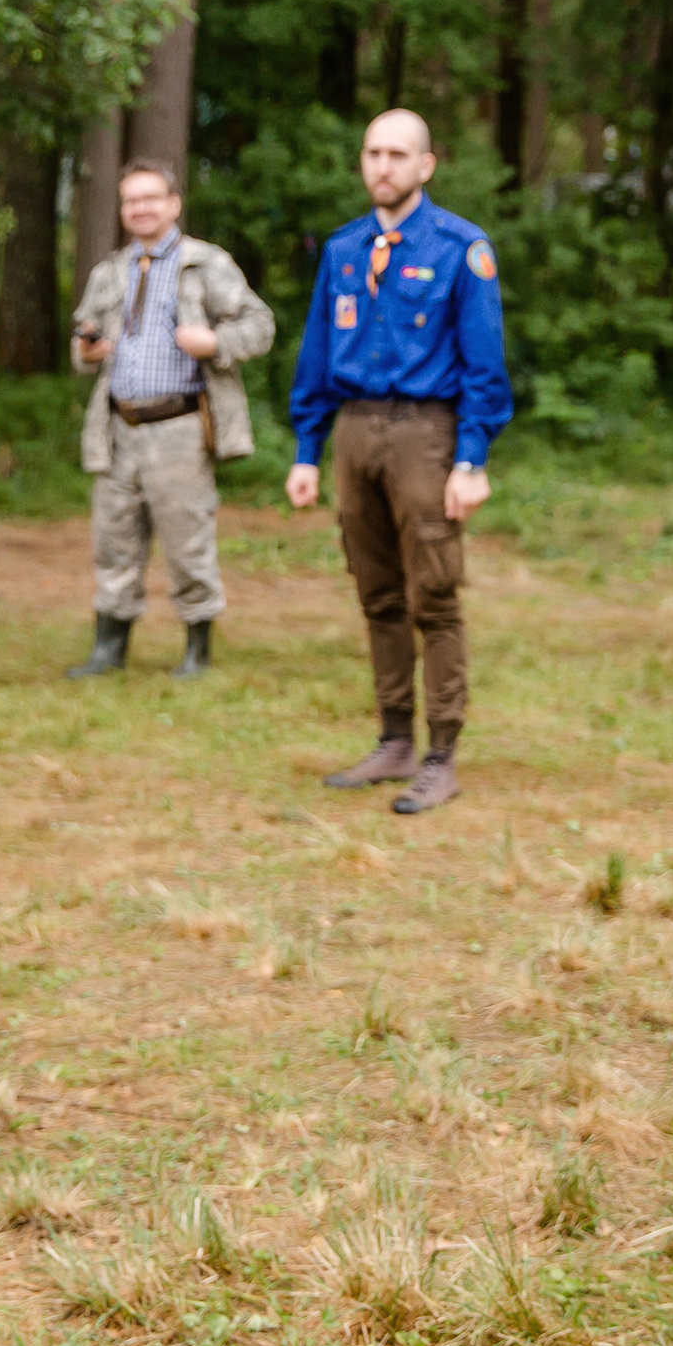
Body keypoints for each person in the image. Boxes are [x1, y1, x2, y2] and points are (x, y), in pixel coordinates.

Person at [286, 109, 511, 816]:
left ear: (425, 165)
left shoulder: (461, 248)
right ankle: (393, 739)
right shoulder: (345, 249)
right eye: (372, 152)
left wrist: (470, 458)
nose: (382, 165)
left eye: (397, 154)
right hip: (354, 431)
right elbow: (317, 353)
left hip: (425, 433)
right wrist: (306, 449)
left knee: (432, 595)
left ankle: (441, 754)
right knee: (376, 592)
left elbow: (485, 363)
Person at [66, 159, 275, 680]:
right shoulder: (109, 271)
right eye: (130, 200)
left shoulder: (205, 264)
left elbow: (260, 324)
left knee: (187, 542)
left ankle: (196, 651)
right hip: (118, 428)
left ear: (173, 204)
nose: (140, 208)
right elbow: (82, 342)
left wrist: (216, 342)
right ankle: (108, 650)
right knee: (113, 542)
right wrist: (87, 351)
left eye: (150, 198)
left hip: (179, 425)